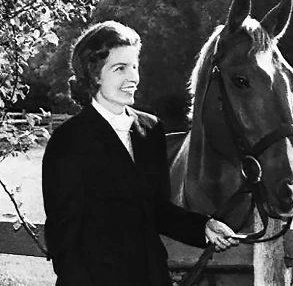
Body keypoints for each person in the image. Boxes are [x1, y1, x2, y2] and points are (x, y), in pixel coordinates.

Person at [42, 20, 238, 286]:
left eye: (134, 66)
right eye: (120, 68)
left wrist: (203, 226)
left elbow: (156, 209)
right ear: (95, 74)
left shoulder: (150, 128)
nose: (133, 77)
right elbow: (62, 239)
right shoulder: (68, 141)